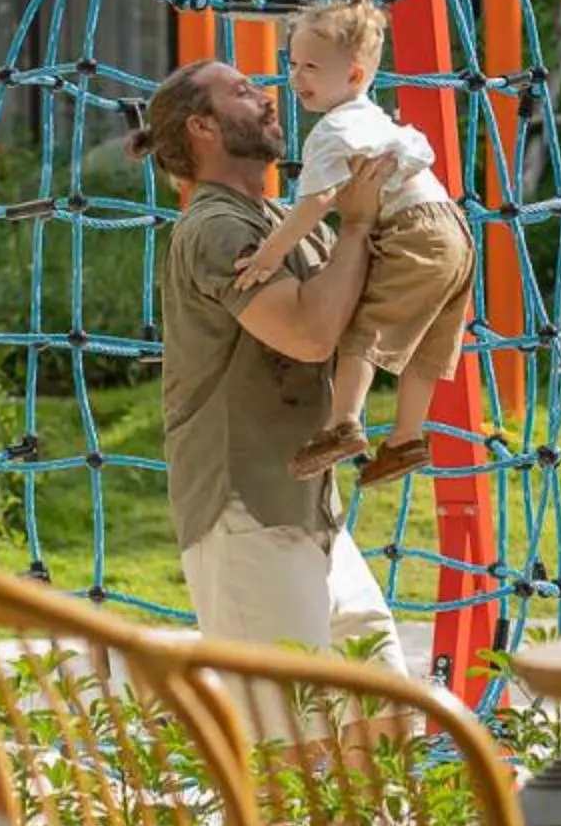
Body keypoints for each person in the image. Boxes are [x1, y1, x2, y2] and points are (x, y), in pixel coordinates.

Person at [138, 58, 409, 671]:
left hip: (310, 513)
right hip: (244, 517)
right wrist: (359, 219)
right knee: (286, 745)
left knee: (390, 716)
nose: (267, 96)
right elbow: (310, 335)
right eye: (241, 91)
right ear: (202, 129)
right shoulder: (215, 228)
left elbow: (355, 320)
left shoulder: (283, 223)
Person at [226, 0, 477, 487]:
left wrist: (269, 255)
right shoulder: (373, 119)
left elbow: (315, 204)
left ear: (356, 75)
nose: (296, 78)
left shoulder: (334, 130)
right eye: (293, 64)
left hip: (413, 233)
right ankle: (405, 441)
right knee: (428, 346)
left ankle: (343, 424)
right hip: (455, 233)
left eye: (311, 68)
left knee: (363, 331)